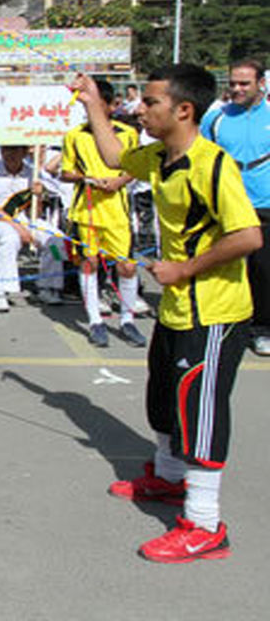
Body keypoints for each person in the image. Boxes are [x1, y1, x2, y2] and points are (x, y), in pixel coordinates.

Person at [72, 66, 262, 564]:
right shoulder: (156, 156)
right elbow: (114, 157)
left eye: (151, 102)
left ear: (183, 110)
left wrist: (185, 268)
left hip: (215, 311)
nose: (141, 108)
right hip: (178, 308)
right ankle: (170, 477)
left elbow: (248, 236)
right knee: (164, 393)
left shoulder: (213, 165)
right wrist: (93, 102)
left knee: (201, 409)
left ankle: (204, 524)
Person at [61, 79, 145, 348]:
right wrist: (87, 178)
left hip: (118, 213)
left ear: (111, 106)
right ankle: (95, 320)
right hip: (86, 212)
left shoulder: (128, 133)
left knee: (127, 266)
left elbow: (137, 166)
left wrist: (120, 181)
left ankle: (127, 319)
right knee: (90, 263)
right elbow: (65, 172)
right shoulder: (74, 135)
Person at [201, 59, 270, 356]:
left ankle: (262, 328)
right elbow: (201, 158)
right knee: (223, 269)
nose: (237, 89)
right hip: (225, 207)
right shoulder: (216, 118)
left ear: (261, 84)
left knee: (263, 271)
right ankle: (224, 325)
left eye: (244, 83)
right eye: (233, 83)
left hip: (265, 205)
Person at [0, 145, 64, 311]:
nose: (10, 154)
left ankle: (48, 286)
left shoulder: (33, 173)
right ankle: (1, 291)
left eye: (15, 150)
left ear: (24, 152)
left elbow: (36, 213)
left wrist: (38, 196)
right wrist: (18, 228)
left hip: (25, 219)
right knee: (10, 239)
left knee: (56, 241)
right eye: (6, 150)